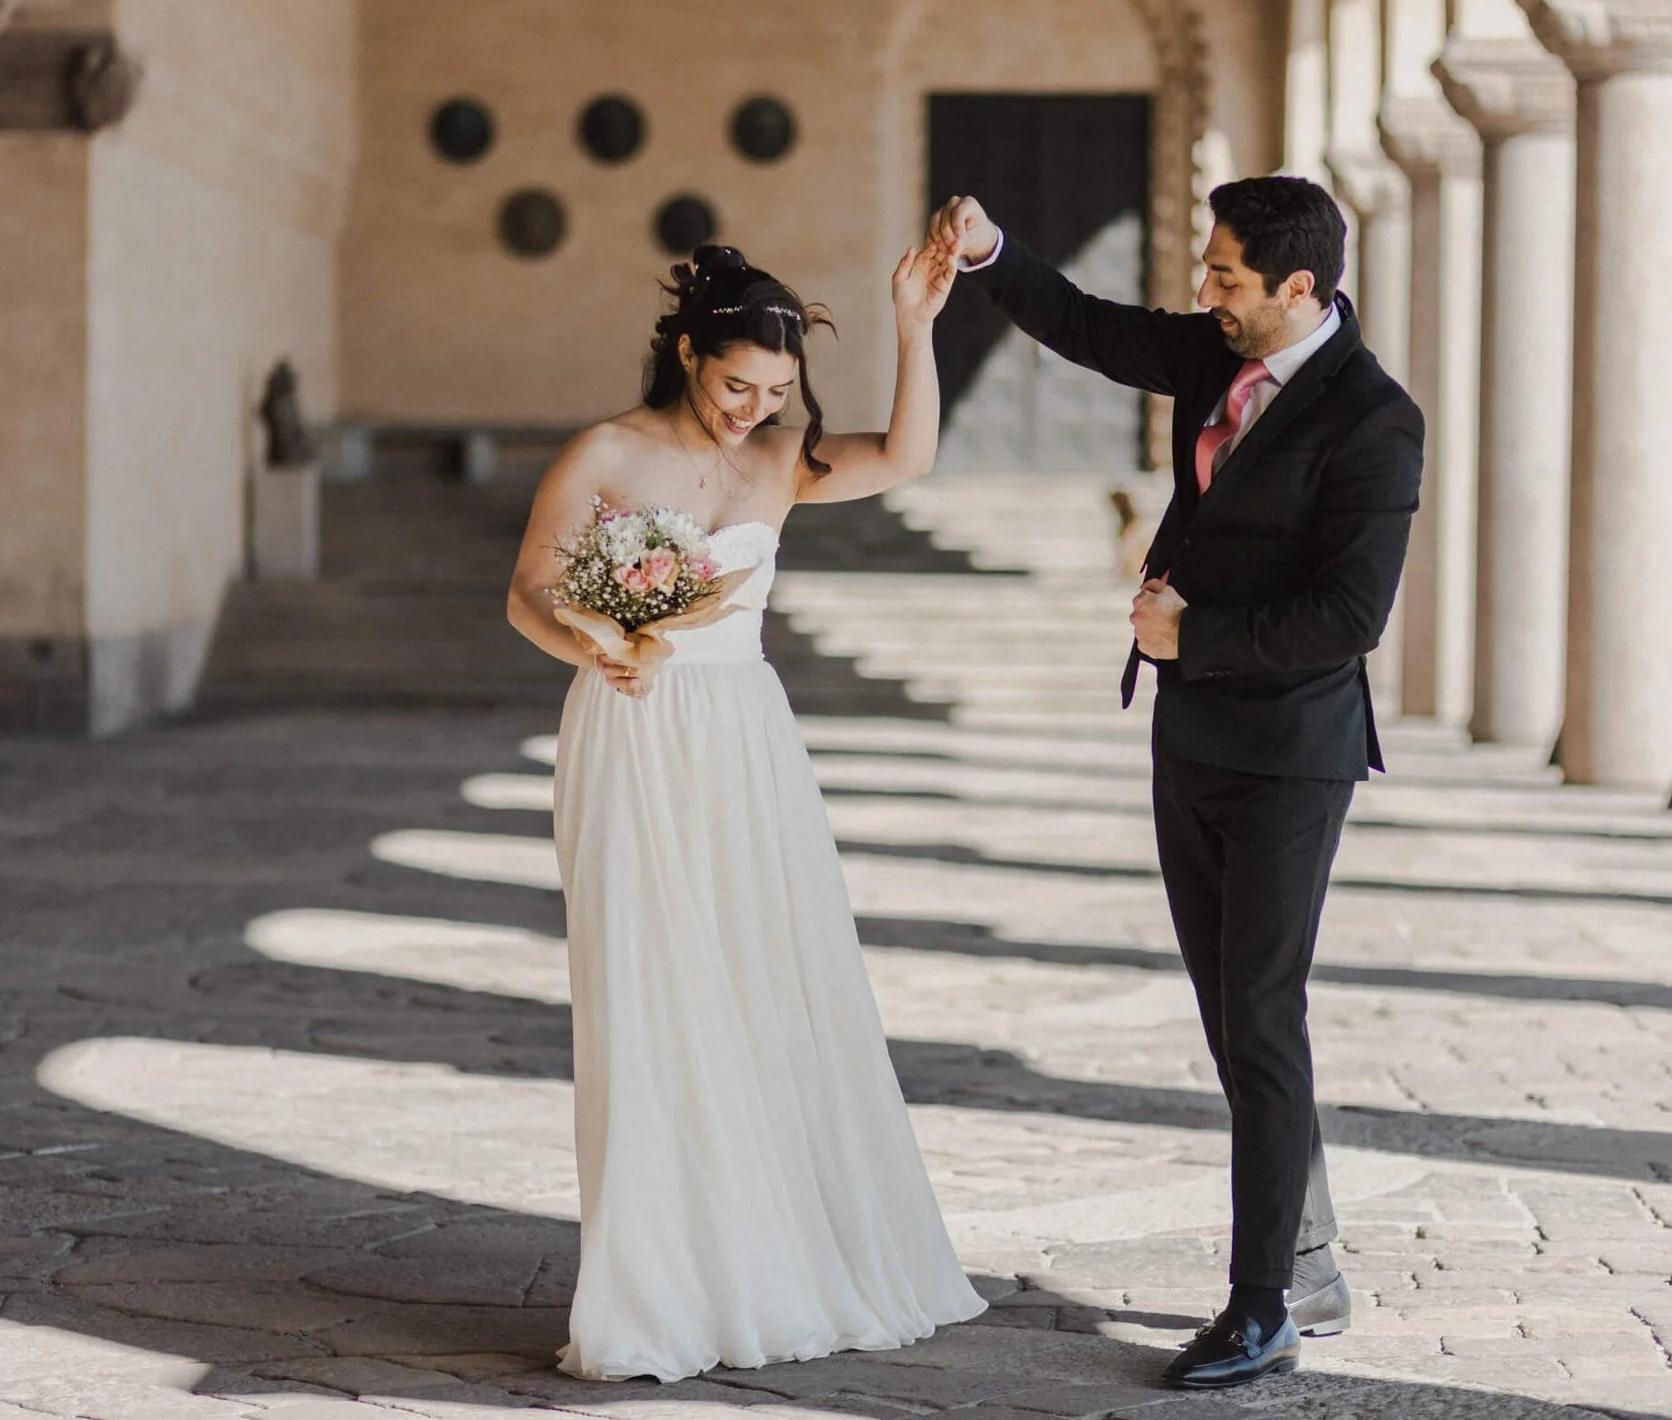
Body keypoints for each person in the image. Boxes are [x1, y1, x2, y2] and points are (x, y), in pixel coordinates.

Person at [928, 177, 1423, 1388]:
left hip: (1290, 754)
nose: (1205, 293)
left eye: (1226, 277)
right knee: (1233, 1018)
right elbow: (1094, 327)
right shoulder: (1217, 353)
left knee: (1260, 1013)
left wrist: (1188, 638)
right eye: (1207, 271)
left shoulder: (1374, 419)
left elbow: (1348, 616)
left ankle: (1262, 1305)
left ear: (1298, 287)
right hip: (1189, 737)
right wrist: (994, 250)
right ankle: (1304, 1252)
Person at [505, 239, 985, 1382]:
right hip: (631, 730)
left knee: (766, 980)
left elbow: (908, 456)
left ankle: (768, 1255)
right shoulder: (607, 450)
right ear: (686, 354)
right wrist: (593, 637)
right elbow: (526, 590)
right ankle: (660, 1280)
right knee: (650, 990)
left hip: (745, 740)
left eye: (776, 393)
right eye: (737, 386)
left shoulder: (781, 461)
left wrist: (915, 322)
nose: (754, 411)